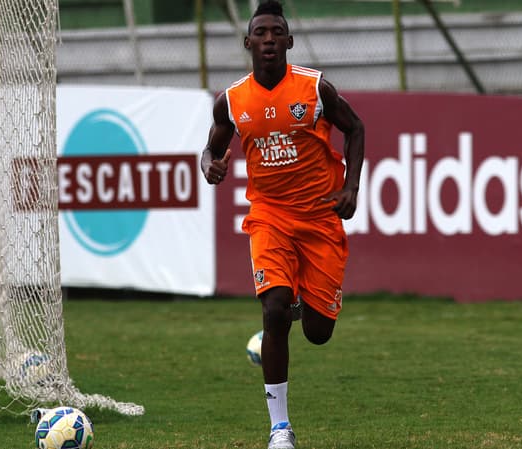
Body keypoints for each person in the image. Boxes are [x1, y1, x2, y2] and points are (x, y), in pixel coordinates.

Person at [201, 1, 364, 448]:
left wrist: (350, 187)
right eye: (261, 32)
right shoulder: (233, 100)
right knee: (273, 311)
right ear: (248, 41)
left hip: (318, 219)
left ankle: (301, 303)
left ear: (289, 41)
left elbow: (356, 128)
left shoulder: (314, 90)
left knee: (317, 332)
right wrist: (209, 165)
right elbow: (211, 147)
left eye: (277, 32)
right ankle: (279, 430)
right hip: (269, 217)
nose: (269, 39)